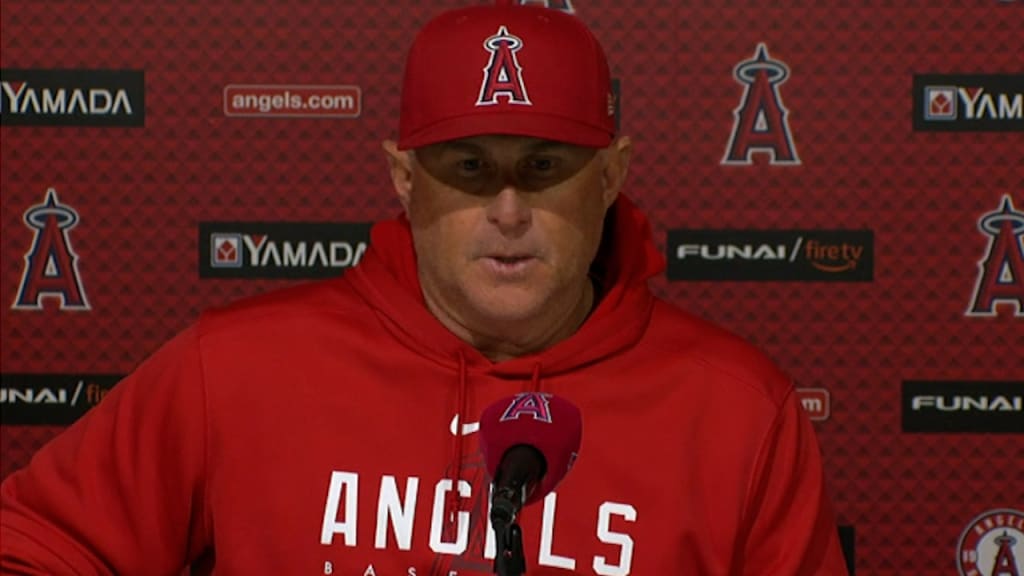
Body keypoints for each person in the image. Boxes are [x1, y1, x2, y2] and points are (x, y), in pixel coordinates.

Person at [0, 2, 850, 574]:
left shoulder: (737, 409)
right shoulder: (236, 369)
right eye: (469, 167)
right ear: (405, 179)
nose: (508, 210)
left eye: (545, 167)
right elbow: (31, 548)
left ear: (611, 176)